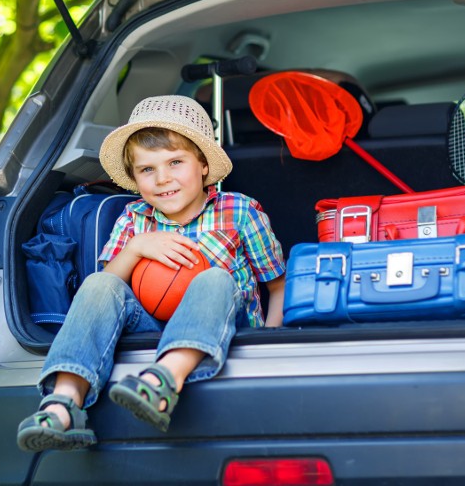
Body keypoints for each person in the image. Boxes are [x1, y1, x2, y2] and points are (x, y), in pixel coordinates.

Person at [17, 95, 286, 452]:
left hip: (225, 326)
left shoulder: (239, 211)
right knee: (98, 282)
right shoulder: (133, 218)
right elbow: (108, 286)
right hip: (151, 328)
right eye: (147, 170)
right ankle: (64, 404)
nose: (162, 179)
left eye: (175, 162)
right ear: (133, 177)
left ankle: (163, 382)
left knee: (215, 278)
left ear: (203, 165)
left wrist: (273, 344)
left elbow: (278, 285)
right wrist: (137, 247)